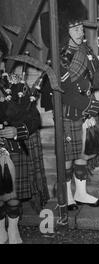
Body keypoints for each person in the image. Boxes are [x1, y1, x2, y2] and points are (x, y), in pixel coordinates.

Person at [42, 0, 99, 211]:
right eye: (74, 28)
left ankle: (82, 193)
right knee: (67, 158)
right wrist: (98, 106)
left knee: (83, 155)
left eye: (80, 27)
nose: (80, 31)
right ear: (63, 31)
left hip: (86, 113)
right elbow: (67, 94)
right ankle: (67, 197)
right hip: (69, 111)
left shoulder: (85, 49)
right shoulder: (58, 58)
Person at [0, 31, 50, 244]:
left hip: (11, 151)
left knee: (11, 198)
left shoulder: (16, 84)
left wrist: (17, 131)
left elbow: (34, 119)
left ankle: (13, 231)